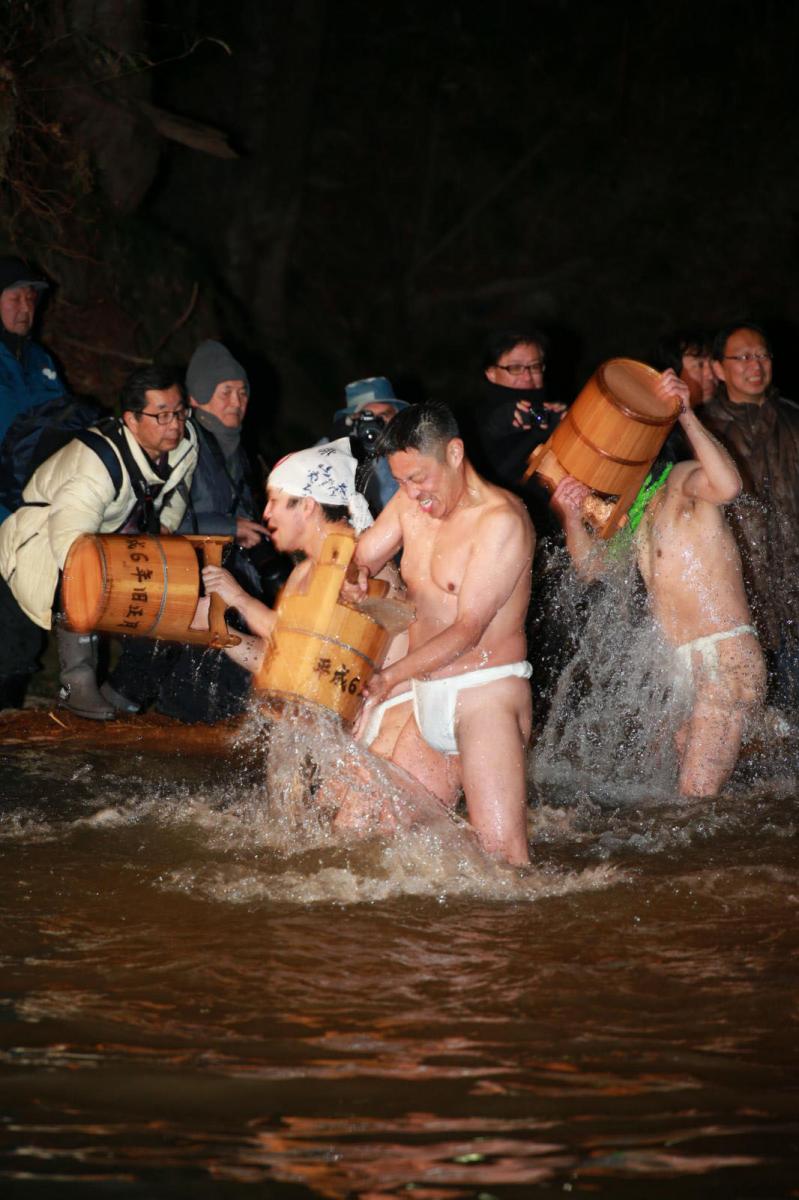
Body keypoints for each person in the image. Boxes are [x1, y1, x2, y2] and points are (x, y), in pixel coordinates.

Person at [551, 370, 765, 798]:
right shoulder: (632, 516)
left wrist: (685, 414)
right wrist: (572, 516)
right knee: (671, 798)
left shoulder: (682, 480)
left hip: (725, 655)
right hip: (683, 666)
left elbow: (728, 485)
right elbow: (593, 570)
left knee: (693, 798)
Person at [343, 401, 536, 867]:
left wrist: (389, 680)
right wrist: (353, 573)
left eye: (419, 479)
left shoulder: (501, 522)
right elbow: (363, 555)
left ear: (454, 453)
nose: (411, 493)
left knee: (502, 859)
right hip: (427, 686)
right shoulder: (409, 504)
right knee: (372, 834)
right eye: (402, 480)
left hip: (484, 692)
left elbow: (468, 629)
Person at [0, 364, 198, 717]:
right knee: (17, 653)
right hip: (40, 543)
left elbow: (177, 490)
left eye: (180, 412)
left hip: (115, 541)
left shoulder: (185, 444)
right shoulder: (97, 463)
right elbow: (71, 547)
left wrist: (164, 530)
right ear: (132, 420)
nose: (174, 425)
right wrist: (109, 580)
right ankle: (76, 684)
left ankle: (119, 702)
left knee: (163, 617)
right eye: (161, 415)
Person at [101, 340, 275, 722]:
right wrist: (231, 527)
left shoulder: (239, 450)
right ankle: (123, 709)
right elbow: (161, 515)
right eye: (225, 392)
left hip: (225, 568)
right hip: (177, 568)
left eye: (242, 392)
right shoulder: (181, 443)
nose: (236, 401)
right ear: (197, 397)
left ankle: (191, 723)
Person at [200, 438, 380, 674]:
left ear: (307, 506)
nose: (266, 513)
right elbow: (281, 663)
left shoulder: (361, 560)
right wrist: (218, 628)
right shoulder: (302, 572)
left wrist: (238, 598)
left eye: (274, 501)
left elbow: (308, 644)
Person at [700, 321, 799, 710]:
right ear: (719, 369)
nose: (754, 365)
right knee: (745, 712)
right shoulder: (700, 428)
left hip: (794, 582)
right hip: (738, 591)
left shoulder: (793, 419)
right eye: (742, 357)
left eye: (761, 355)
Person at [0, 256, 68, 523]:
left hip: (41, 495)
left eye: (30, 299)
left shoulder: (42, 360)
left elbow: (64, 419)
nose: (25, 308)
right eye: (15, 299)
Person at [325, 375, 409, 515]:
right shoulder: (341, 450)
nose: (374, 427)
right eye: (366, 418)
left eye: (383, 417)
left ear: (398, 416)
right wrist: (334, 447)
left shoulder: (417, 452)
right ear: (351, 422)